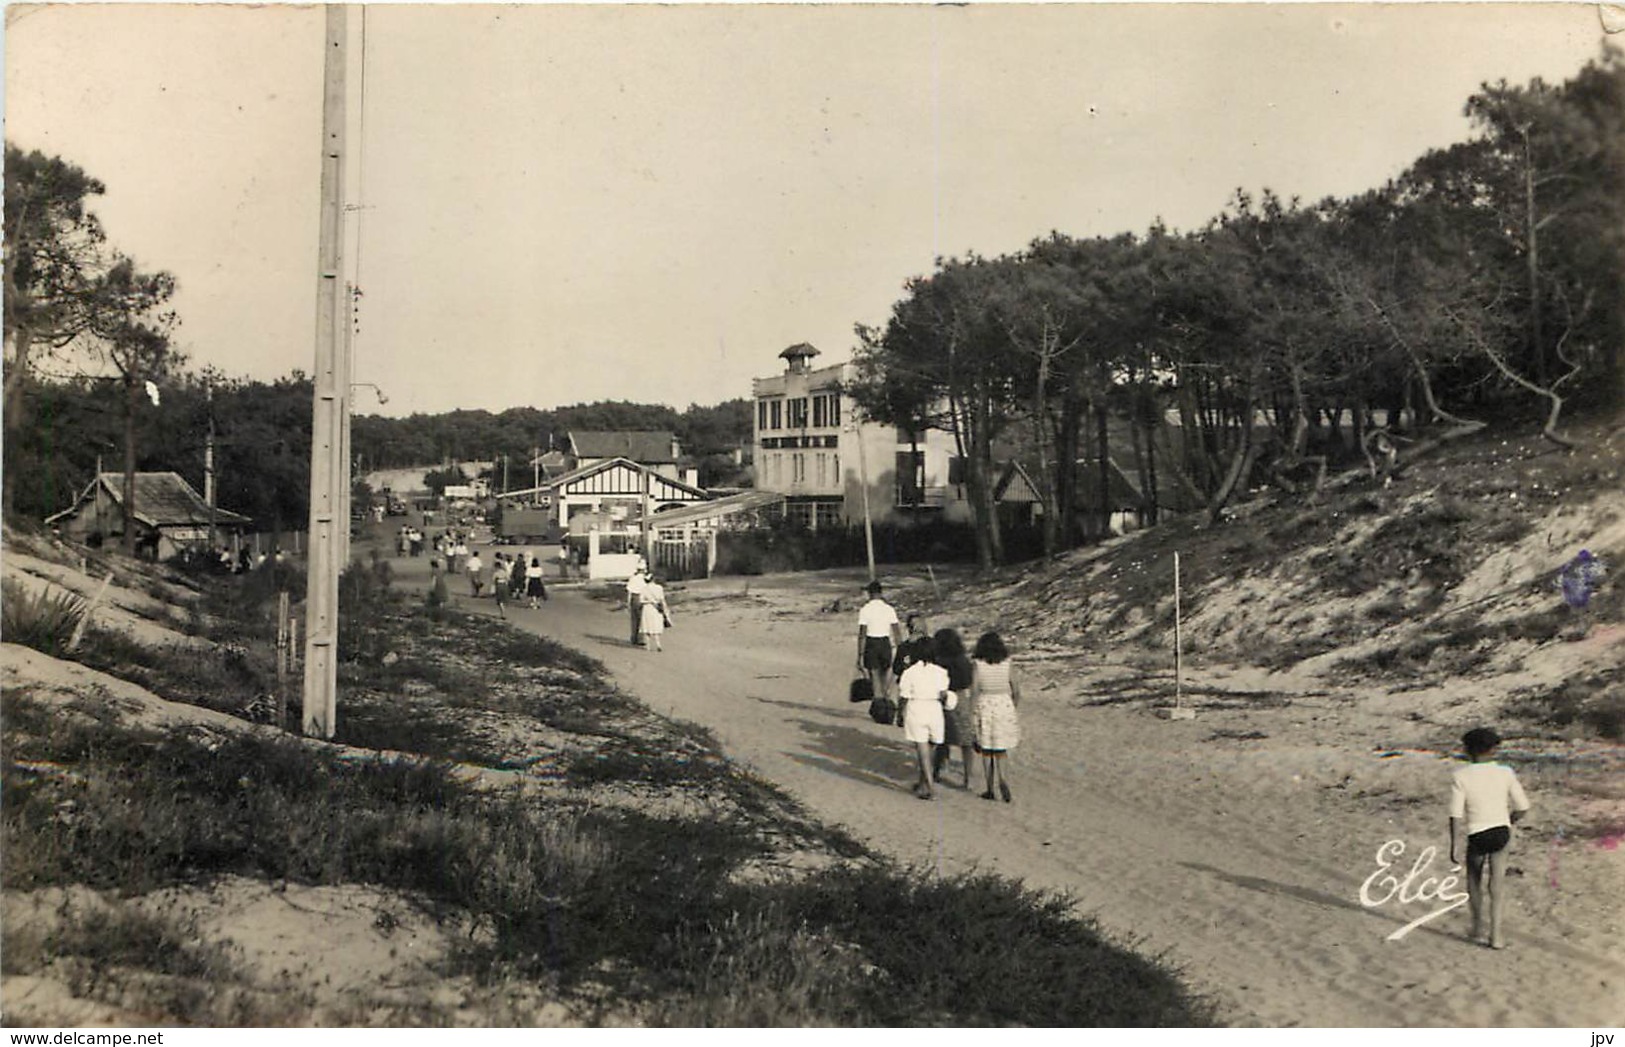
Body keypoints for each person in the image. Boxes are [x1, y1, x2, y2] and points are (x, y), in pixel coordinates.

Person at [1449, 726, 1531, 950]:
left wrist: (1454, 845)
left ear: (1468, 750)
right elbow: (1523, 807)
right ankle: (1496, 936)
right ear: (1493, 749)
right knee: (1497, 884)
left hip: (1477, 833)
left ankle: (1477, 928)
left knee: (1474, 881)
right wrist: (1509, 819)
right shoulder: (1506, 772)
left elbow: (1456, 814)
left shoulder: (1460, 776)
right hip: (1501, 831)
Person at [897, 634, 953, 800]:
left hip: (917, 708)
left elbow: (904, 696)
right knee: (931, 748)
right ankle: (923, 783)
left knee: (922, 749)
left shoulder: (910, 672)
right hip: (934, 709)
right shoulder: (941, 672)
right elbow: (944, 694)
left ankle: (929, 785)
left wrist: (901, 714)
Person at [971, 631, 1022, 803]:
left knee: (986, 749)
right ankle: (1003, 778)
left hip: (985, 703)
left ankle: (990, 788)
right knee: (1001, 748)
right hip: (1004, 703)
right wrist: (1012, 706)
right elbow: (1015, 689)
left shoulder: (978, 664)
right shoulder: (1007, 663)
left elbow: (975, 690)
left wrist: (972, 712)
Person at [934, 627, 978, 790]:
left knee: (941, 738)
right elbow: (968, 682)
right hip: (960, 698)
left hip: (941, 698)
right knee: (965, 741)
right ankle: (968, 777)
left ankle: (938, 770)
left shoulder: (937, 661)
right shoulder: (962, 660)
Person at [855, 581, 902, 710]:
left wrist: (859, 655)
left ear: (869, 593)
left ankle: (879, 705)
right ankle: (885, 700)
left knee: (874, 676)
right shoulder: (889, 609)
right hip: (885, 643)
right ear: (881, 593)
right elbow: (896, 631)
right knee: (884, 674)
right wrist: (901, 649)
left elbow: (862, 634)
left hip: (871, 643)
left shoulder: (865, 609)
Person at [640, 573, 671, 652]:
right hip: (657, 609)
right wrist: (665, 609)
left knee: (647, 627)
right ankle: (658, 644)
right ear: (653, 579)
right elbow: (662, 600)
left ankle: (648, 646)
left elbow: (641, 600)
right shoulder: (659, 588)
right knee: (656, 626)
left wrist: (649, 601)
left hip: (647, 608)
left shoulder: (644, 589)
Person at [626, 567, 650, 645]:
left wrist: (628, 602)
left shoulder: (633, 578)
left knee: (634, 619)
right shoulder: (645, 580)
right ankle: (641, 638)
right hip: (642, 598)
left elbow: (629, 592)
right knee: (642, 619)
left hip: (634, 597)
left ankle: (634, 637)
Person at [491, 553, 508, 618]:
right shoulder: (504, 572)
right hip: (504, 585)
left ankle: (502, 613)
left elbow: (493, 580)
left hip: (499, 585)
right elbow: (508, 579)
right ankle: (503, 612)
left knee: (500, 600)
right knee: (504, 599)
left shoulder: (496, 573)